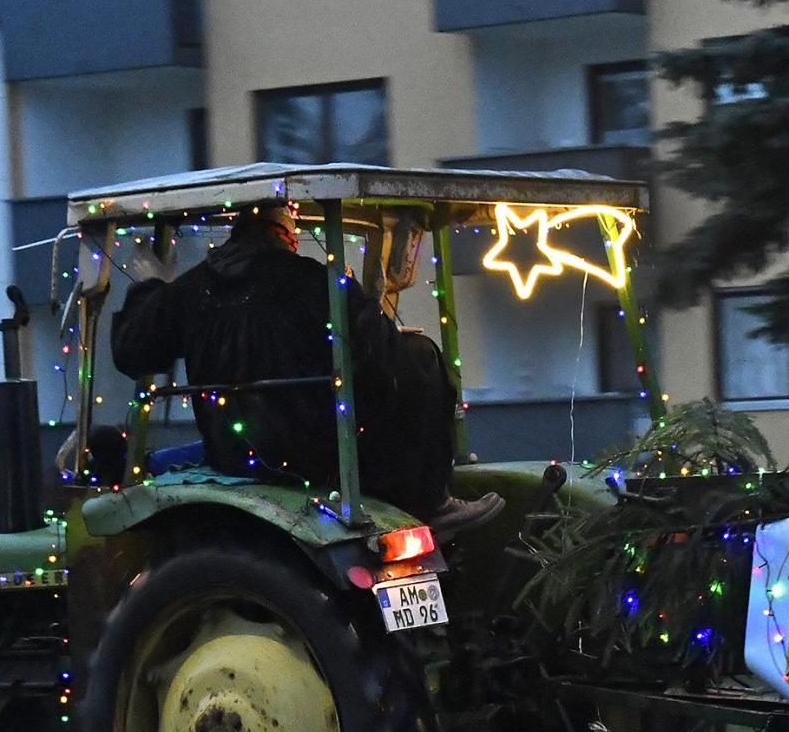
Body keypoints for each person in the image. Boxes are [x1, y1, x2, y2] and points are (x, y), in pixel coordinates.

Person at [111, 202, 501, 532]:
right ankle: (430, 500)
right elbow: (383, 365)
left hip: (230, 452)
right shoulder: (315, 283)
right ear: (286, 233)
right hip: (313, 454)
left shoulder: (192, 290)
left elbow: (131, 350)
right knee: (421, 356)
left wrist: (150, 287)